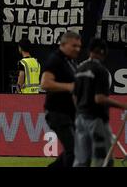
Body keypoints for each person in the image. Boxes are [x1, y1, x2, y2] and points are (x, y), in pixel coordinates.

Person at [73, 38, 127, 167]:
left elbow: (74, 96)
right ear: (103, 52)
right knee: (104, 159)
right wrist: (123, 106)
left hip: (80, 119)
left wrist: (80, 111)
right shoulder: (100, 71)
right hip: (96, 120)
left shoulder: (79, 69)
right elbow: (100, 99)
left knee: (81, 160)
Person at [41, 31, 82, 168]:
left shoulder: (71, 62)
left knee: (77, 150)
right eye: (74, 46)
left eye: (79, 46)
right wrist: (69, 86)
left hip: (70, 113)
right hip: (57, 112)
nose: (77, 49)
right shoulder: (56, 59)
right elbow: (45, 84)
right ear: (63, 44)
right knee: (74, 151)